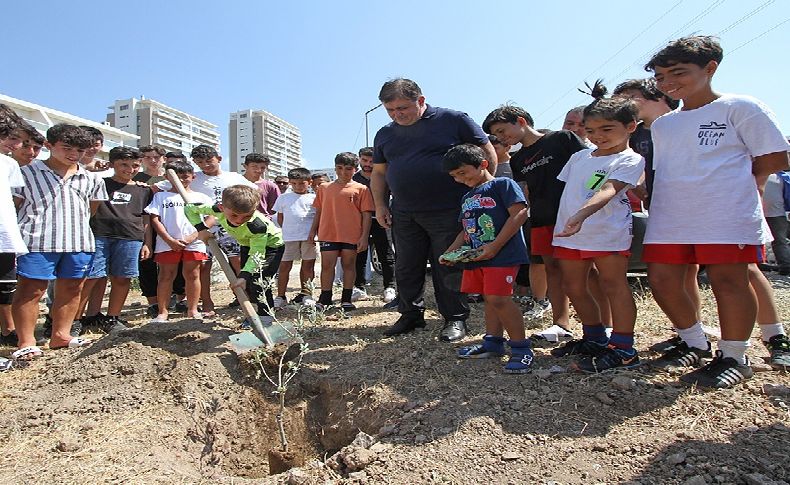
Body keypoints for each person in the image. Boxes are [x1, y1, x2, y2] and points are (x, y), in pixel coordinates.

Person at [643, 36, 790, 388]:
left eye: (678, 73)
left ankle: (734, 357)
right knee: (662, 279)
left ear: (710, 68)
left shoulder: (740, 106)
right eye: (661, 77)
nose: (668, 83)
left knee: (729, 282)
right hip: (671, 215)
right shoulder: (664, 124)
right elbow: (666, 170)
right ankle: (694, 342)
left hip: (725, 213)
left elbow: (774, 157)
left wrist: (740, 185)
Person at [371, 78, 497, 340]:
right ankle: (410, 315)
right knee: (406, 266)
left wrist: (481, 192)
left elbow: (486, 153)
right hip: (404, 211)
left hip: (449, 208)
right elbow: (380, 173)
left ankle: (455, 318)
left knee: (448, 264)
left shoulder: (454, 120)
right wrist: (380, 203)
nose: (398, 115)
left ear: (421, 100)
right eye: (391, 110)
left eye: (403, 108)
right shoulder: (385, 134)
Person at [551, 85, 645, 372]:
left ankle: (624, 348)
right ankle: (594, 338)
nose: (598, 137)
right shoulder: (580, 156)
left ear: (631, 126)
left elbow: (608, 188)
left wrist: (582, 214)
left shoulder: (631, 159)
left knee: (613, 285)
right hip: (570, 232)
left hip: (607, 231)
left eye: (606, 129)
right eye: (591, 130)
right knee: (573, 286)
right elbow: (572, 189)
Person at [483, 105, 586, 344]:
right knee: (553, 271)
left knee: (585, 273)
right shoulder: (518, 159)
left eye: (502, 130)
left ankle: (605, 326)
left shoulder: (562, 139)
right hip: (541, 219)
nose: (501, 137)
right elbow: (525, 192)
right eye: (497, 135)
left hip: (572, 215)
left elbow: (588, 167)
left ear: (520, 120)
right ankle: (561, 324)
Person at [11, 124, 108, 361]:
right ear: (49, 145)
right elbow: (14, 205)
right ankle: (26, 341)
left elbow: (91, 210)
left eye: (80, 149)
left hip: (78, 241)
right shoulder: (26, 173)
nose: (73, 154)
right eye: (66, 148)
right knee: (31, 290)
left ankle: (61, 335)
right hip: (36, 240)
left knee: (73, 288)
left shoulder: (91, 179)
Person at [440, 144, 532, 373]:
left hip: (503, 255)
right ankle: (493, 343)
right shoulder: (468, 196)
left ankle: (522, 349)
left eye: (463, 172)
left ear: (482, 164)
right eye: (454, 176)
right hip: (476, 257)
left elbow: (520, 213)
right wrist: (450, 252)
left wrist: (494, 246)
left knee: (500, 299)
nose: (459, 179)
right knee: (490, 299)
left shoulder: (503, 184)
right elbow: (465, 230)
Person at [155, 145, 257, 315]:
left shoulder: (233, 177)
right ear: (195, 163)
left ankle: (246, 299)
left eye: (209, 161)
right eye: (200, 162)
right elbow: (162, 185)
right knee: (203, 266)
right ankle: (207, 303)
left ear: (219, 159)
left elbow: (253, 192)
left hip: (230, 225)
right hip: (202, 227)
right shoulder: (193, 178)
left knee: (238, 261)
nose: (206, 165)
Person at [76, 146, 152, 333]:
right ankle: (76, 319)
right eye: (124, 164)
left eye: (135, 165)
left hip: (130, 237)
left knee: (122, 277)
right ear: (113, 164)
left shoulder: (144, 191)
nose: (130, 169)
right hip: (98, 235)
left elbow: (146, 218)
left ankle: (112, 318)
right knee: (91, 278)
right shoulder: (99, 183)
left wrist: (146, 242)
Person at [185, 185, 284, 319]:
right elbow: (190, 208)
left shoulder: (257, 226)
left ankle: (266, 318)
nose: (239, 221)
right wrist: (201, 229)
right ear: (221, 208)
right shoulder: (217, 210)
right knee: (249, 283)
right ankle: (254, 314)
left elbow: (257, 254)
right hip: (247, 244)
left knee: (259, 282)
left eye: (246, 216)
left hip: (271, 247)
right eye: (234, 215)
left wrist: (243, 275)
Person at [145, 161, 211, 321]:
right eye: (177, 177)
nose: (181, 180)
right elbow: (154, 218)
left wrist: (193, 236)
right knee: (166, 275)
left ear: (193, 177)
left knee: (193, 274)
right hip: (167, 242)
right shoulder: (161, 196)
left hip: (194, 242)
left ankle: (193, 310)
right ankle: (163, 312)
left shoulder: (200, 197)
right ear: (167, 177)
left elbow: (211, 218)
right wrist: (168, 239)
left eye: (185, 177)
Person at [309, 152, 374, 311]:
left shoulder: (362, 189)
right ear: (335, 167)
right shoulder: (324, 188)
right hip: (328, 233)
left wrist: (364, 237)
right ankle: (325, 297)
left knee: (349, 265)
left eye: (348, 169)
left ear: (355, 169)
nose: (343, 172)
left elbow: (366, 215)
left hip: (351, 234)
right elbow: (318, 211)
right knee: (327, 265)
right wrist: (312, 231)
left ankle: (346, 298)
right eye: (339, 168)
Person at [353, 147, 396, 303]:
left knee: (386, 255)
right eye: (364, 160)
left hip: (382, 219)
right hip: (359, 221)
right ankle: (359, 288)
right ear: (359, 159)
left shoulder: (384, 176)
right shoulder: (354, 179)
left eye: (371, 161)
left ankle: (389, 287)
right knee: (359, 254)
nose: (368, 164)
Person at [0, 106, 26, 351]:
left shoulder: (8, 164)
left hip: (4, 236)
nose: (12, 143)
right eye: (6, 136)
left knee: (5, 289)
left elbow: (13, 200)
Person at [272, 167, 318, 307]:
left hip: (309, 237)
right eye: (294, 183)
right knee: (285, 266)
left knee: (308, 266)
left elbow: (318, 217)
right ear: (290, 183)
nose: (298, 186)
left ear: (309, 182)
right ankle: (280, 296)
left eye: (302, 183)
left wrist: (313, 233)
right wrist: (287, 231)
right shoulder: (283, 198)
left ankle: (307, 294)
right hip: (288, 237)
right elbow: (280, 217)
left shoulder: (314, 198)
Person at [242, 153, 280, 218]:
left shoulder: (271, 186)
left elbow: (277, 208)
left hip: (262, 222)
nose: (258, 170)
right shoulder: (234, 182)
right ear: (245, 166)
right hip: (237, 223)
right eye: (254, 166)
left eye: (262, 167)